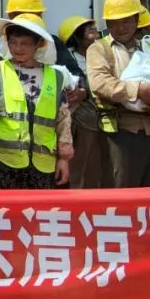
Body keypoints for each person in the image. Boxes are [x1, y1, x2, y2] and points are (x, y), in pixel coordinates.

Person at [86, 0, 150, 188]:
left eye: (126, 21)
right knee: (121, 194)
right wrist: (139, 90)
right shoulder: (99, 48)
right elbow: (99, 83)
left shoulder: (149, 47)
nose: (120, 28)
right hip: (121, 133)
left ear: (136, 20)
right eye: (114, 22)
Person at [0, 14, 73, 189]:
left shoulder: (55, 77)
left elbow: (63, 120)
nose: (18, 48)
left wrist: (64, 158)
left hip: (43, 163)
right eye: (13, 42)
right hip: (3, 160)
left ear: (38, 44)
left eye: (25, 43)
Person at [0, 0, 83, 78]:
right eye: (13, 42)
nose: (27, 19)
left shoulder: (53, 42)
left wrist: (79, 89)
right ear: (11, 16)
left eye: (34, 15)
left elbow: (75, 75)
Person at [58, 15, 107, 188]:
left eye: (96, 30)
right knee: (78, 166)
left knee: (97, 167)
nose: (97, 35)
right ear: (76, 36)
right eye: (91, 31)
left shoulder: (104, 55)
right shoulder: (69, 61)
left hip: (104, 120)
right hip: (80, 122)